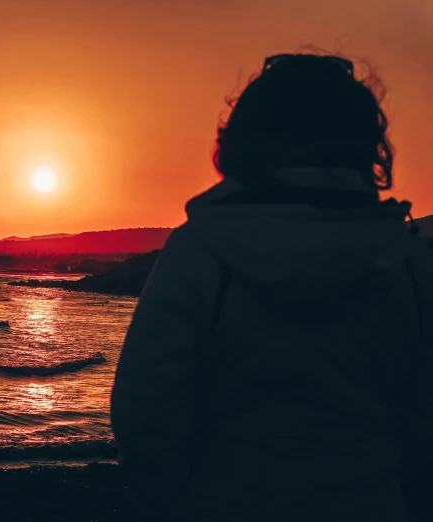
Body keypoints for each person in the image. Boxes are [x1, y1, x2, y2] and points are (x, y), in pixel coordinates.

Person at [110, 52, 433, 522]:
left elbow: (147, 415)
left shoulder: (198, 252)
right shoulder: (408, 261)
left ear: (242, 139)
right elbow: (423, 420)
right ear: (367, 143)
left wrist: (168, 502)